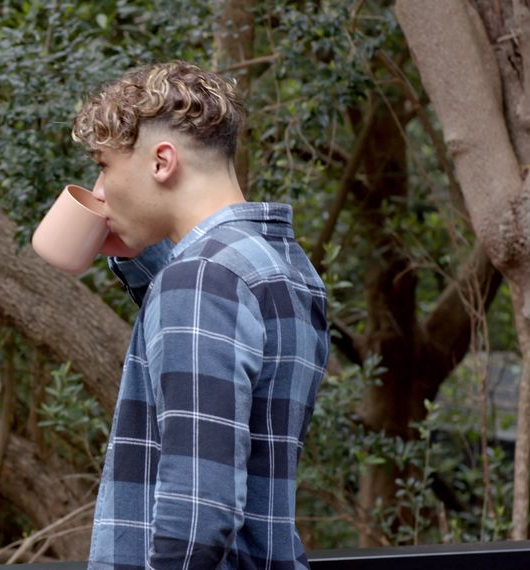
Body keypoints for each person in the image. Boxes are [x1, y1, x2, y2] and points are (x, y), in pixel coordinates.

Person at [73, 61, 330, 569]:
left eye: (103, 166)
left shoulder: (200, 278)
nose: (97, 194)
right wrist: (134, 250)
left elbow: (197, 516)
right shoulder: (283, 266)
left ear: (161, 161)